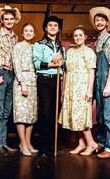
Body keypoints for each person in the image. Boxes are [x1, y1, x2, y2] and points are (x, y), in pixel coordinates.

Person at [59, 25, 98, 156]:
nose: (78, 37)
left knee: (81, 118)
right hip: (71, 88)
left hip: (82, 88)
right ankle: (81, 144)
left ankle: (91, 143)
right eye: (75, 35)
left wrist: (89, 90)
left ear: (85, 37)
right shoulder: (70, 51)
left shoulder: (89, 52)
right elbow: (66, 72)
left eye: (80, 35)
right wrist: (64, 89)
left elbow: (91, 72)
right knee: (74, 117)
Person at [0, 5, 21, 155]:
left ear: (14, 20)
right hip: (0, 72)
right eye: (6, 19)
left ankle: (3, 142)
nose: (9, 21)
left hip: (11, 75)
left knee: (6, 111)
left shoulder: (16, 38)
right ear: (1, 21)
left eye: (11, 19)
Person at [89, 7, 110, 159]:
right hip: (98, 82)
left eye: (102, 20)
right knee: (100, 116)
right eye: (97, 20)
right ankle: (101, 142)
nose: (99, 22)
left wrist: (108, 85)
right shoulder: (98, 41)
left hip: (108, 81)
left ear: (107, 23)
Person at [33, 15, 65, 156]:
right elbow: (37, 64)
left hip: (56, 80)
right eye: (50, 25)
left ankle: (52, 144)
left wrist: (62, 63)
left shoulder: (61, 47)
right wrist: (52, 63)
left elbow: (63, 66)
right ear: (46, 28)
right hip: (44, 81)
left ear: (58, 29)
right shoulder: (39, 45)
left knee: (54, 114)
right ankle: (43, 146)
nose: (53, 27)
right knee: (45, 114)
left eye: (55, 26)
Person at [13, 23, 38, 156]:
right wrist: (22, 83)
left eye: (31, 31)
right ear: (22, 33)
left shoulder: (35, 47)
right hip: (21, 81)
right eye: (26, 30)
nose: (28, 33)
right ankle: (22, 144)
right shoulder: (18, 46)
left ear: (34, 34)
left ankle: (28, 143)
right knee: (21, 115)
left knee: (31, 115)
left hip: (33, 81)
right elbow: (16, 65)